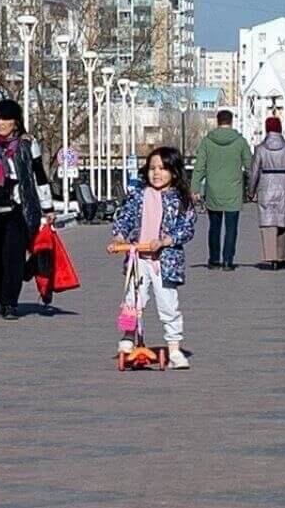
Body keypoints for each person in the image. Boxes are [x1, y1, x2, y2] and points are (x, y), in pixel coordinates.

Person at [0, 99, 54, 320]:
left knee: (13, 256)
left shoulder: (27, 143)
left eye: (6, 119)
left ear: (16, 122)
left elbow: (39, 176)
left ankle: (10, 303)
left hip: (17, 208)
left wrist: (48, 207)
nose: (1, 123)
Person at [107, 146, 195, 370]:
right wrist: (119, 237)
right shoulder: (138, 195)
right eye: (153, 168)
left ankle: (174, 349)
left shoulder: (180, 199)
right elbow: (124, 217)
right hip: (138, 259)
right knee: (132, 301)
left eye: (163, 169)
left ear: (174, 172)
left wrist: (166, 241)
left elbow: (186, 228)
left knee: (168, 304)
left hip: (165, 262)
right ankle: (128, 337)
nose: (157, 173)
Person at [191, 109, 253, 270]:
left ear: (217, 121)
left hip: (213, 190)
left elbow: (199, 167)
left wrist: (195, 188)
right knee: (231, 228)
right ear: (231, 121)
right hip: (233, 190)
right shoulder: (240, 142)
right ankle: (228, 260)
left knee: (214, 227)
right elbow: (249, 165)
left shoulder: (207, 141)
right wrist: (252, 186)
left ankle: (213, 259)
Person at [248, 116, 285, 270]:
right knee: (282, 223)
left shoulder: (260, 149)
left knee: (268, 223)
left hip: (266, 184)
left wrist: (251, 191)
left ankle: (271, 257)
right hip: (284, 185)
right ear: (280, 129)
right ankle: (281, 257)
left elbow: (254, 172)